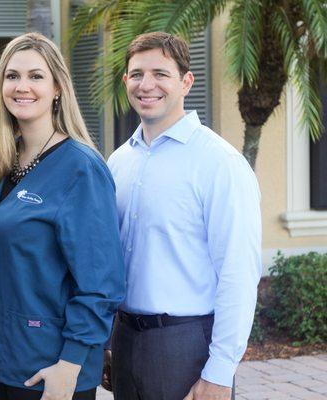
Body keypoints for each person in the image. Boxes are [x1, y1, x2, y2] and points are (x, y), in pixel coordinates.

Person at [0, 32, 125, 400]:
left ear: (57, 88)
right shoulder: (0, 167)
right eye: (12, 76)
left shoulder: (81, 168)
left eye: (36, 76)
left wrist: (70, 365)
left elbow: (101, 283)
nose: (22, 87)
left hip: (50, 369)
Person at [105, 31, 262, 400]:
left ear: (186, 82)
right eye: (137, 74)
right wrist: (106, 342)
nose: (147, 85)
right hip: (125, 340)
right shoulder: (117, 162)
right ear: (126, 81)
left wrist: (220, 372)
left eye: (161, 74)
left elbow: (238, 273)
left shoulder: (219, 163)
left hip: (187, 346)